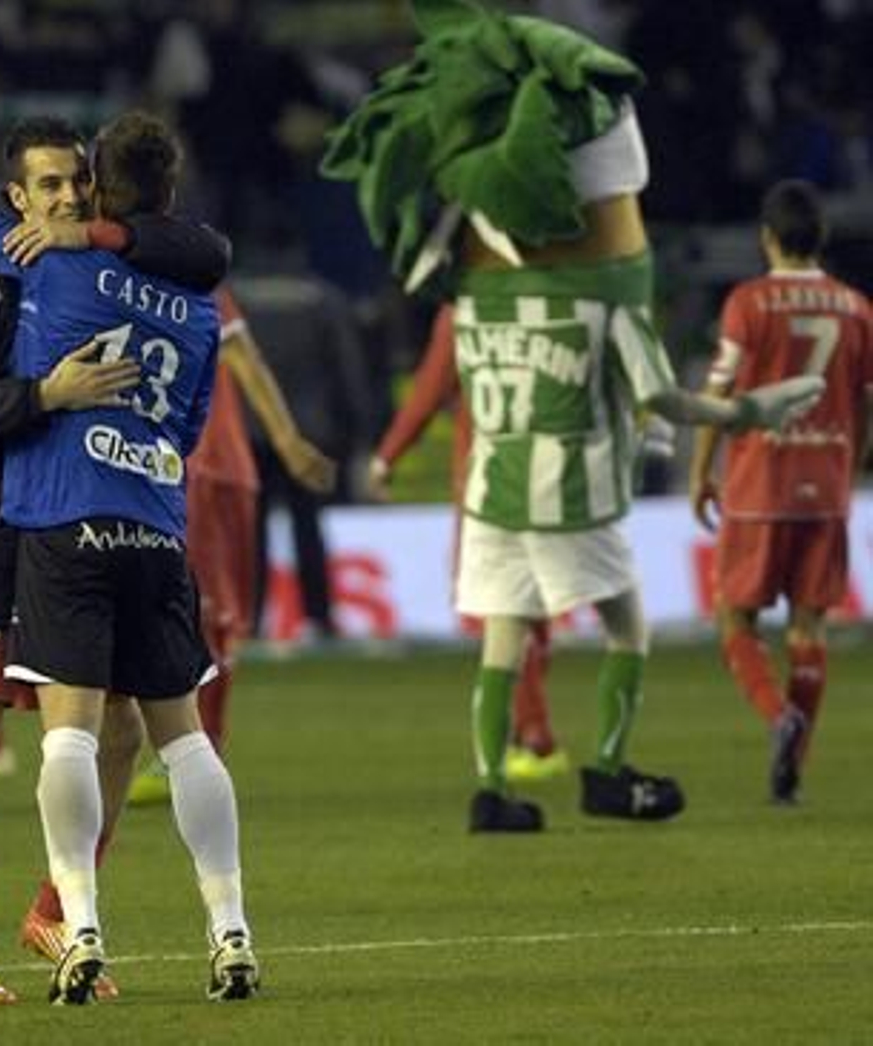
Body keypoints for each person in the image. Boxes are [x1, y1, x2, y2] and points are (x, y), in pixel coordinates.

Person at [321, 0, 824, 833]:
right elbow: (667, 399)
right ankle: (611, 768)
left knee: (503, 640)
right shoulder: (604, 309)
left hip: (491, 491)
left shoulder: (473, 310)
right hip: (571, 491)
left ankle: (492, 788)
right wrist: (753, 408)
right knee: (629, 626)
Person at [0, 111, 260, 1004]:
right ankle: (231, 932)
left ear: (101, 190)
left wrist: (12, 221)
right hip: (155, 525)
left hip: (64, 517)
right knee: (183, 742)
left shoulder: (54, 261)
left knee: (67, 731)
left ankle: (79, 930)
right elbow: (189, 431)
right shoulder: (196, 307)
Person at [689, 179, 873, 804]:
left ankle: (778, 718)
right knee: (809, 628)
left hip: (759, 481)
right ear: (820, 238)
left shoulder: (748, 301)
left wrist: (700, 472)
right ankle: (794, 769)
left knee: (734, 616)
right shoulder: (856, 308)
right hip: (827, 483)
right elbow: (868, 404)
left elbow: (721, 393)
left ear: (767, 237)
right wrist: (850, 469)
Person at [128, 284, 337, 806]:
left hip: (201, 468)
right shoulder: (160, 274)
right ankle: (187, 748)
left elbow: (244, 357)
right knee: (185, 612)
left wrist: (289, 443)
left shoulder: (180, 276)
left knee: (205, 612)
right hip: (175, 467)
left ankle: (197, 750)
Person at [367, 304, 568, 782]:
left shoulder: (463, 312)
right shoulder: (548, 304)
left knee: (498, 611)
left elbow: (429, 393)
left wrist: (387, 456)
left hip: (486, 483)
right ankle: (532, 732)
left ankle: (534, 738)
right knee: (532, 609)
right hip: (549, 476)